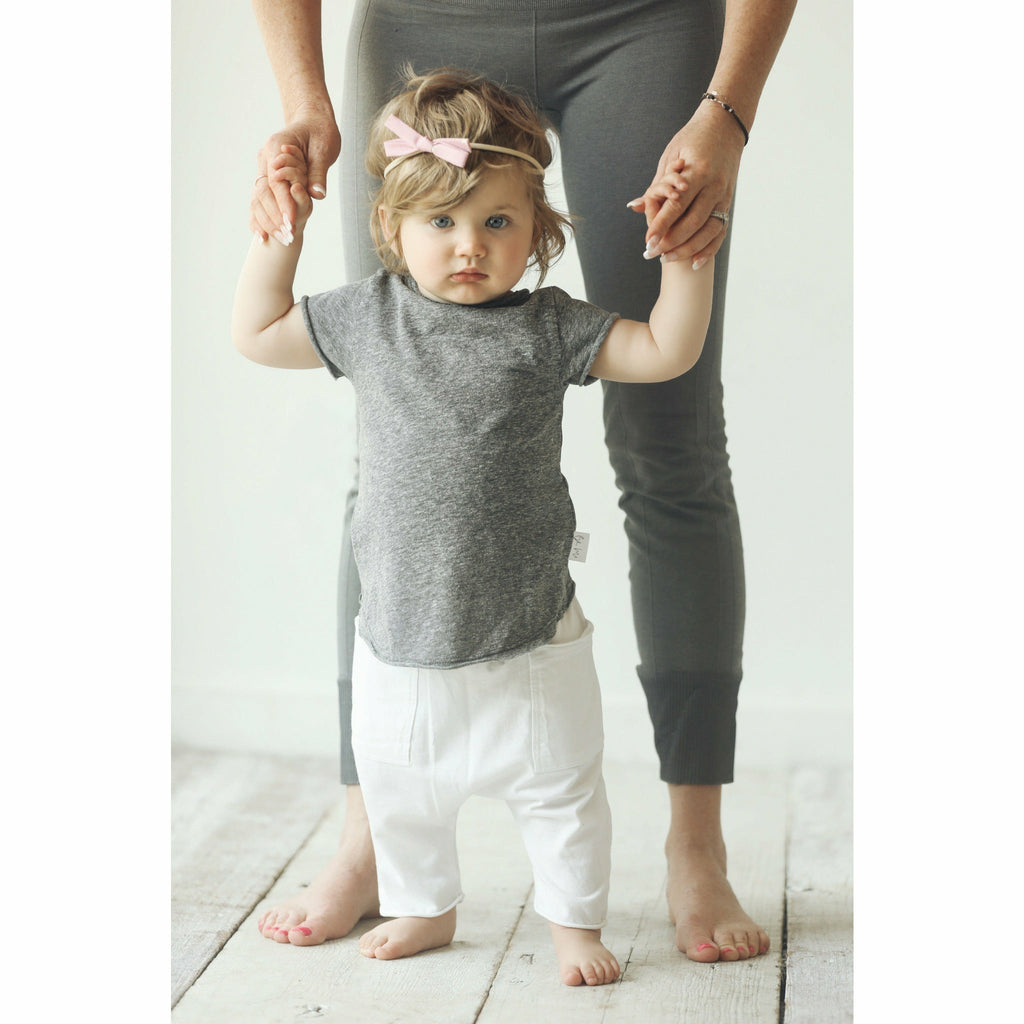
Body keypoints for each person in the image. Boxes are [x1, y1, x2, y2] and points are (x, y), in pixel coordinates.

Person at [250, 0, 795, 964]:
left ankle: (697, 846)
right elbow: (263, 329)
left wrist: (729, 112)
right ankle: (368, 837)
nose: (471, 239)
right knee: (392, 437)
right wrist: (303, 100)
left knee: (673, 446)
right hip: (425, 21)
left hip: (647, 25)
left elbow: (666, 347)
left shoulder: (553, 325)